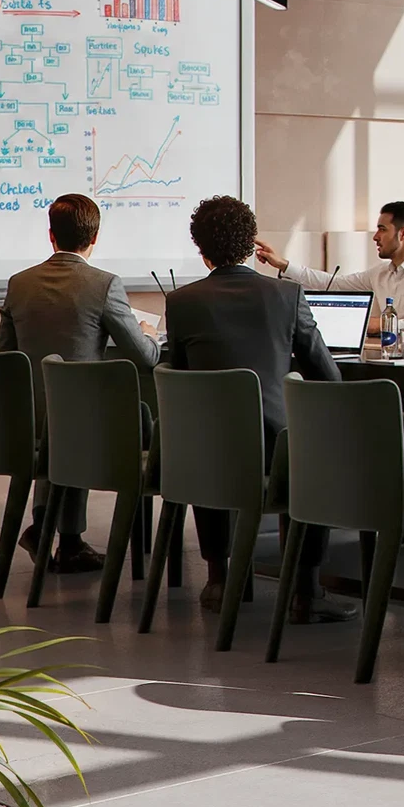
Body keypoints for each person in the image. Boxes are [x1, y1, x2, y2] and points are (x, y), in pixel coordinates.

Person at [161, 195, 347, 621]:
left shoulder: (182, 303)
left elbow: (183, 378)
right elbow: (328, 377)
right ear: (250, 245)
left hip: (210, 453)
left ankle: (220, 579)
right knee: (311, 453)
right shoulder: (287, 295)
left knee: (207, 441)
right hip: (275, 448)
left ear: (200, 248)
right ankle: (306, 591)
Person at [0, 193, 158, 573]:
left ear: (50, 235)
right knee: (124, 414)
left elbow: (5, 355)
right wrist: (147, 332)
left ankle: (60, 537)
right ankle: (63, 536)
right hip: (80, 422)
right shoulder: (104, 284)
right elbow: (145, 357)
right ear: (95, 237)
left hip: (31, 420)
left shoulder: (19, 284)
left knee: (69, 410)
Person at [255, 200, 404, 340]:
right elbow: (332, 284)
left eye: (382, 229)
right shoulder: (380, 273)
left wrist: (384, 325)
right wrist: (283, 264)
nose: (375, 236)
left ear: (403, 233)